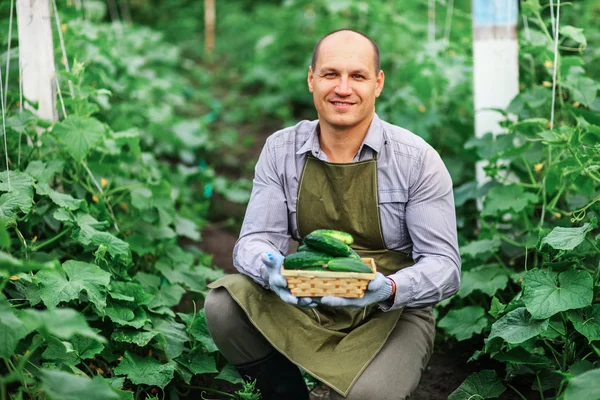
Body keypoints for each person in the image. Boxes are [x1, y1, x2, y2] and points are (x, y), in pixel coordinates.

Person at [204, 29, 461, 400]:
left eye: (357, 76)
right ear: (311, 80)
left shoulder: (416, 160)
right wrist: (273, 268)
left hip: (390, 314)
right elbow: (254, 240)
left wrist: (388, 289)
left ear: (378, 83)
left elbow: (445, 266)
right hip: (307, 299)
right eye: (330, 74)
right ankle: (287, 393)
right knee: (224, 305)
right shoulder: (281, 150)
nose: (343, 88)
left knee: (368, 396)